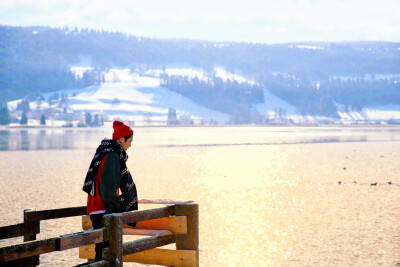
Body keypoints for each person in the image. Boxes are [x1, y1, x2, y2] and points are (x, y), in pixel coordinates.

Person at [82, 120, 138, 262]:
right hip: (103, 210)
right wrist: (116, 211)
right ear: (121, 139)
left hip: (96, 208)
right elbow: (108, 187)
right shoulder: (112, 155)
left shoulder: (105, 151)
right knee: (106, 253)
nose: (130, 145)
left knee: (101, 251)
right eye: (129, 141)